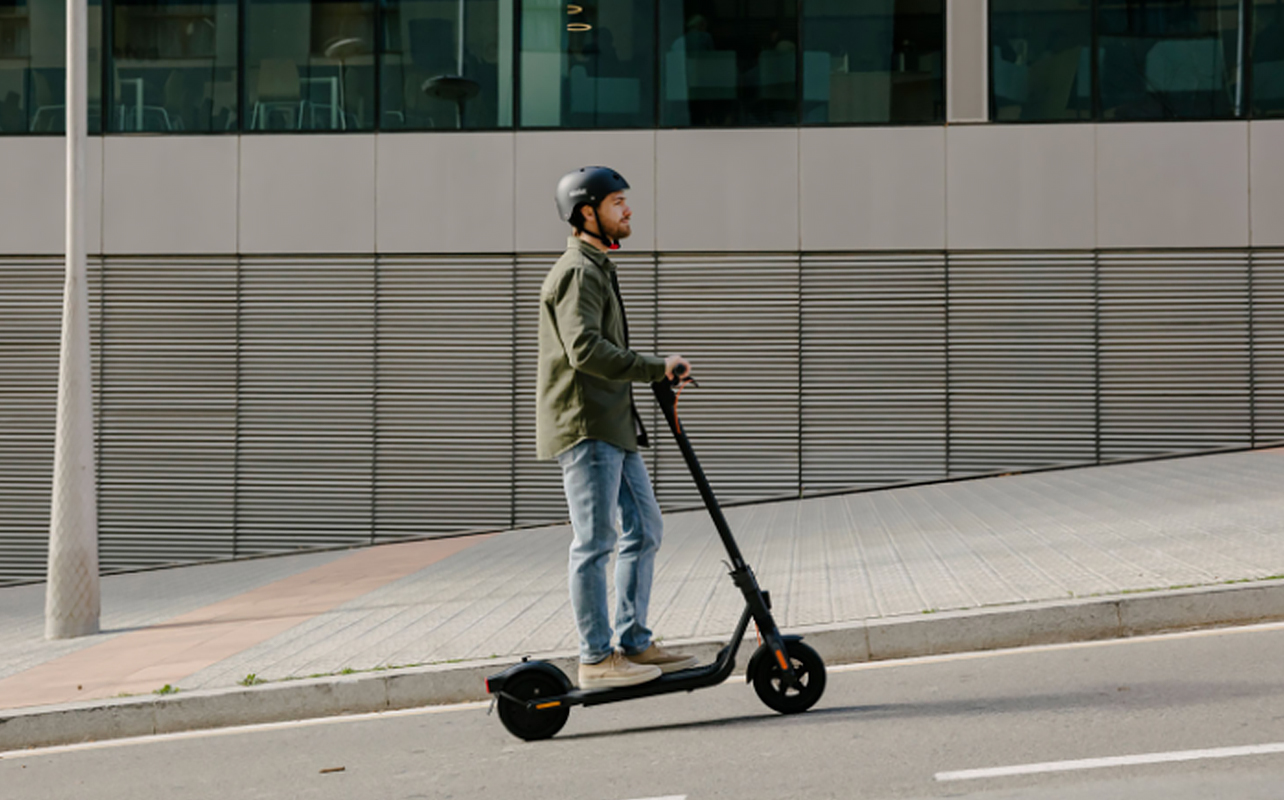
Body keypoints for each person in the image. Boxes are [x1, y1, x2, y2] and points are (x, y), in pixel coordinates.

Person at [537, 166, 699, 690]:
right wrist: (655, 366)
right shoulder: (578, 271)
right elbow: (584, 351)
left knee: (645, 528)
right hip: (587, 426)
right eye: (617, 203)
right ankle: (595, 659)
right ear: (588, 212)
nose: (628, 211)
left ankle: (633, 643)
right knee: (595, 542)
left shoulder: (598, 266)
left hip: (613, 424)